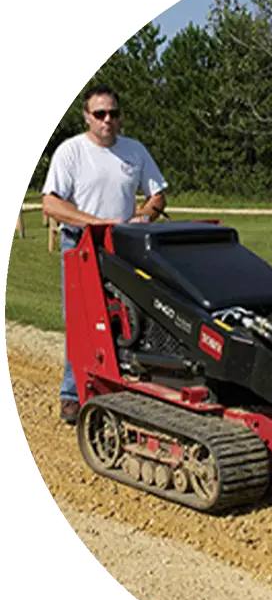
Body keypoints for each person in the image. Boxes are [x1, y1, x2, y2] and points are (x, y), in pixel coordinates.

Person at [42, 85, 168, 424]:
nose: (107, 120)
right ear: (87, 117)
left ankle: (125, 385)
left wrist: (145, 216)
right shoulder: (71, 152)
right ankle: (73, 393)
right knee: (82, 320)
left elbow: (157, 195)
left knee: (129, 316)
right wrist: (95, 224)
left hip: (123, 245)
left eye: (113, 113)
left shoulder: (134, 151)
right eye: (99, 113)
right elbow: (51, 203)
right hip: (81, 245)